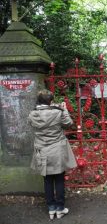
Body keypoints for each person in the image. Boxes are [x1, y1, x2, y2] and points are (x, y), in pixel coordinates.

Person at [28, 89, 77, 219]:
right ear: (50, 101)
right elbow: (69, 124)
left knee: (47, 180)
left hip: (42, 150)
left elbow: (32, 124)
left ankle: (51, 209)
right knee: (59, 179)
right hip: (57, 149)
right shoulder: (57, 112)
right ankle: (60, 209)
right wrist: (63, 109)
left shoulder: (33, 114)